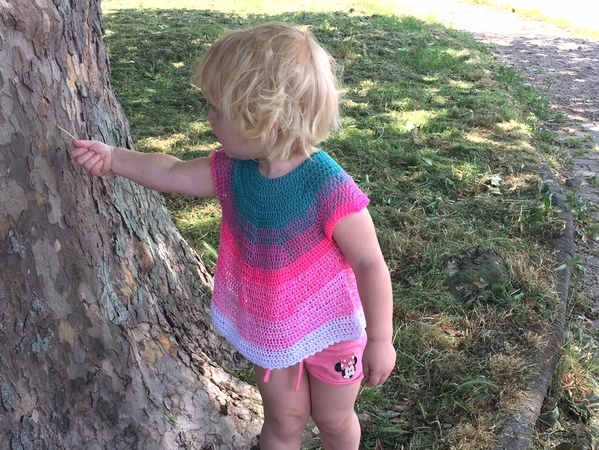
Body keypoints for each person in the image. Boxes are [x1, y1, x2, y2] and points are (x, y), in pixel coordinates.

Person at [71, 22, 396, 450]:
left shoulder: (327, 186)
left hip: (333, 330)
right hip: (272, 330)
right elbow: (171, 172)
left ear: (266, 119)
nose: (209, 117)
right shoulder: (234, 171)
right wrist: (114, 158)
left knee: (334, 421)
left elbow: (369, 262)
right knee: (283, 421)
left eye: (218, 109)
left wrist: (380, 339)